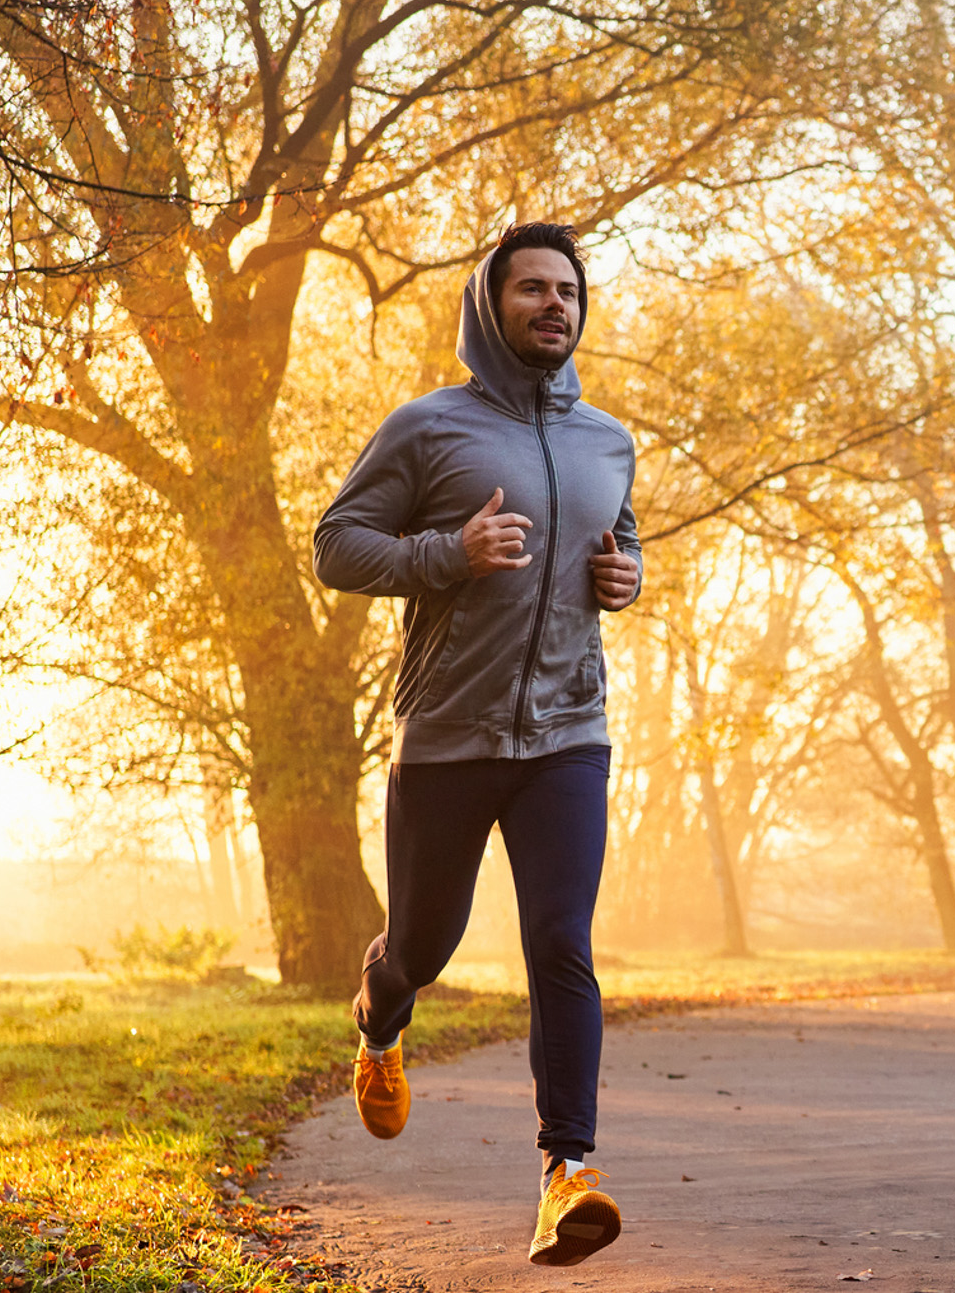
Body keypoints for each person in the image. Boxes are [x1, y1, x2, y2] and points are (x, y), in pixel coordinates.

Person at [312, 222, 642, 1268]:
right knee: (423, 941)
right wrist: (445, 553)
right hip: (449, 734)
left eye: (567, 292)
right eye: (532, 289)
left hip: (567, 734)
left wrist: (627, 572)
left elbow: (617, 534)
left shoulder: (607, 439)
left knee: (561, 940)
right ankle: (379, 1015)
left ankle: (566, 1173)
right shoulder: (427, 427)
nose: (554, 305)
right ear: (489, 305)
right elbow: (336, 544)